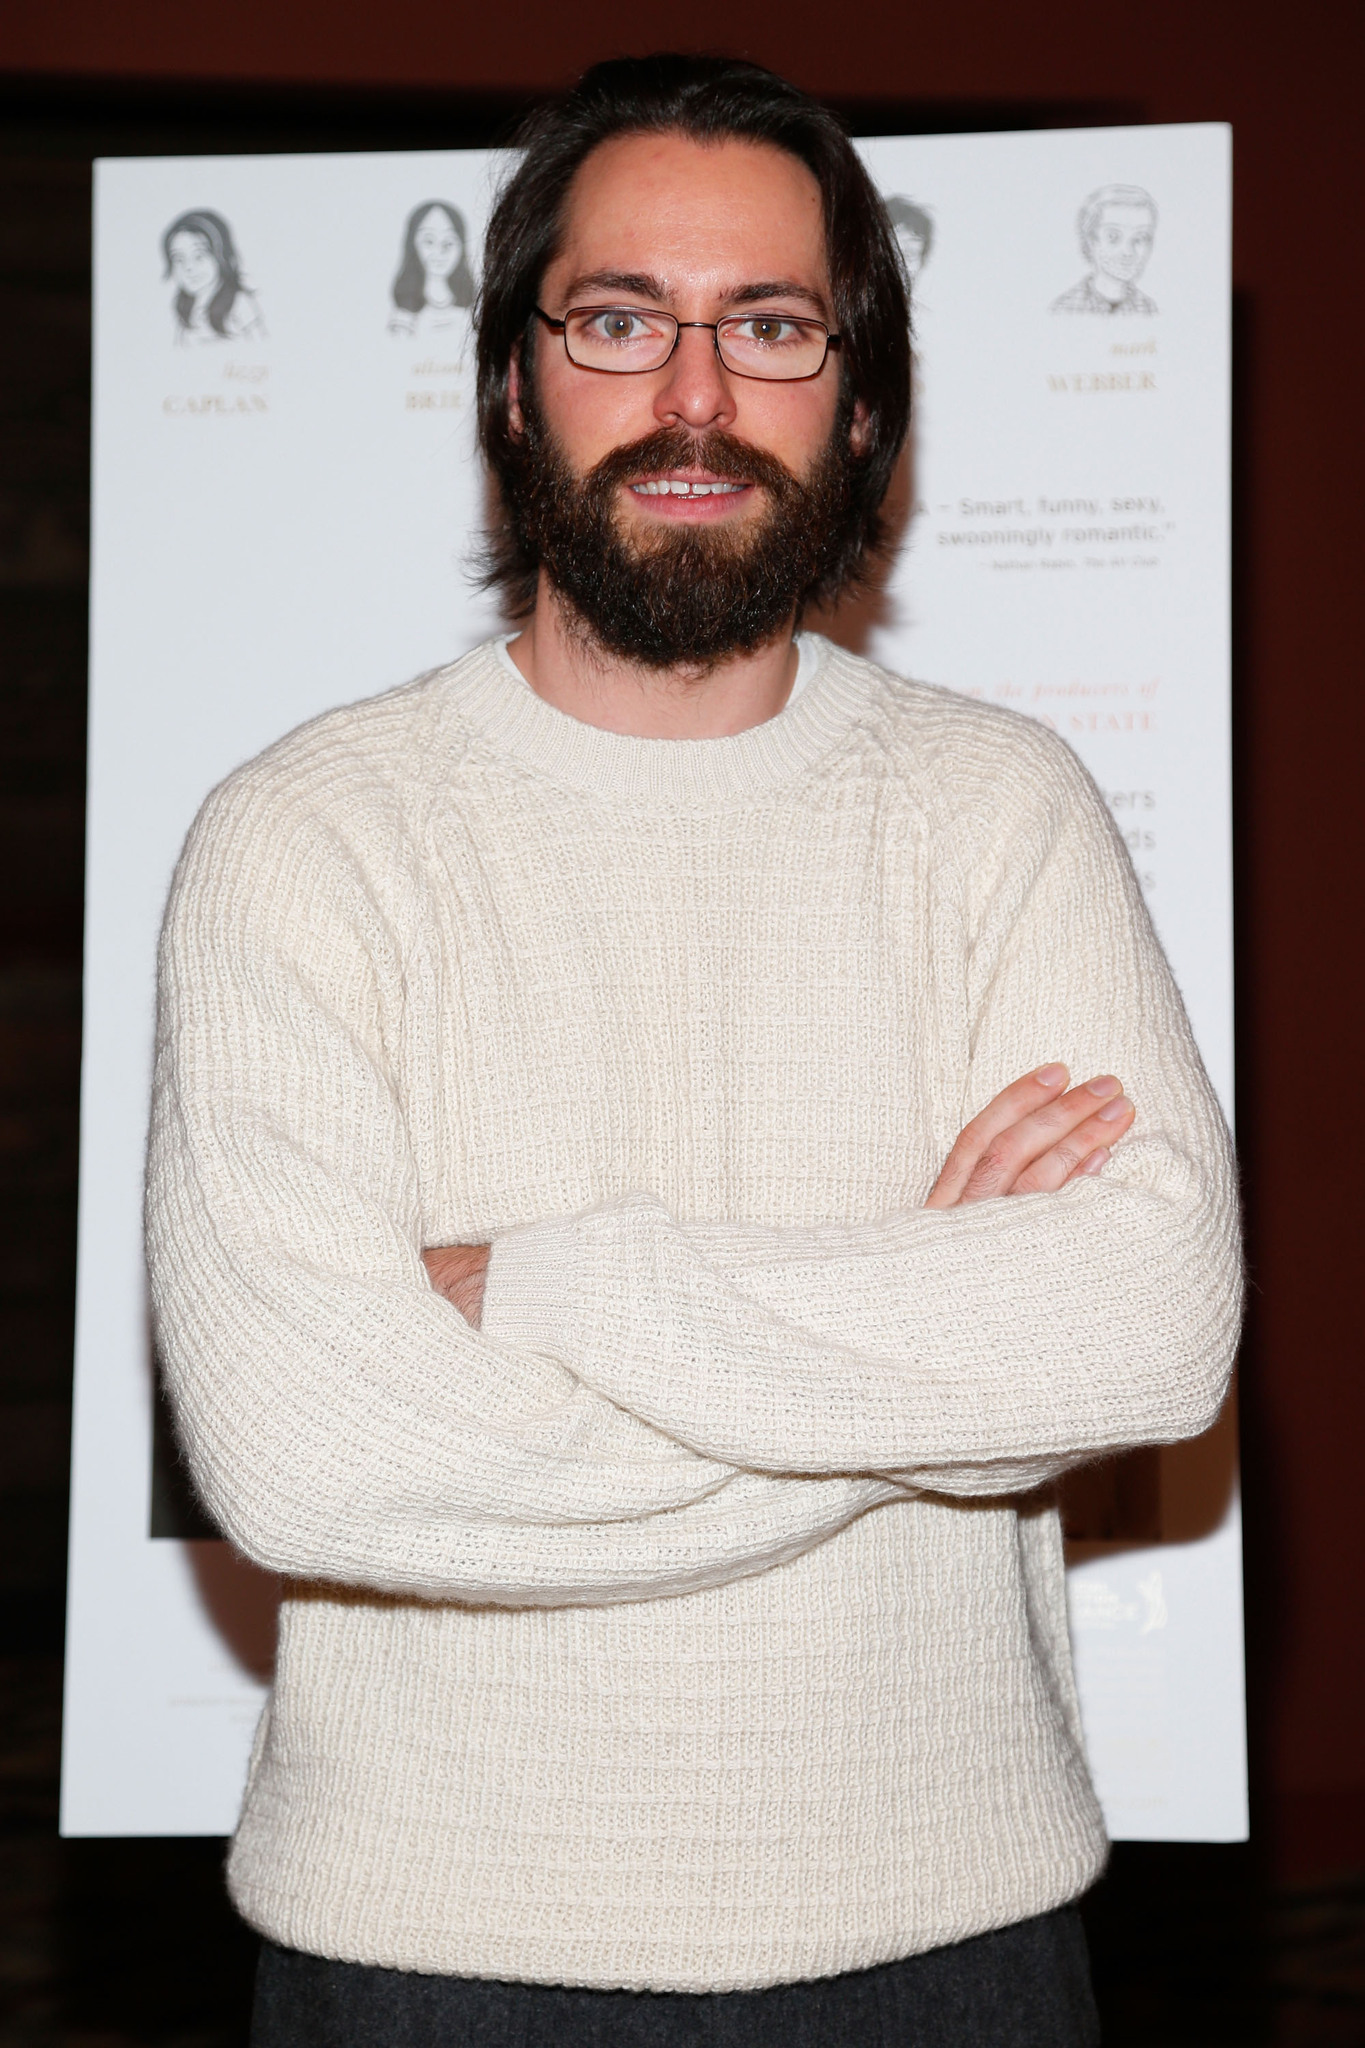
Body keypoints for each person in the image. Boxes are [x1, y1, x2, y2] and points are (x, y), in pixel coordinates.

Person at [146, 54, 1240, 2047]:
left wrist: (551, 1286)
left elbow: (1151, 1327)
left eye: (769, 325)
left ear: (861, 396)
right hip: (430, 1958)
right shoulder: (299, 833)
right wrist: (929, 1343)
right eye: (618, 319)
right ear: (510, 379)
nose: (692, 396)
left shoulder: (1004, 807)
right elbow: (306, 1456)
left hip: (956, 1944)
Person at [162, 209, 266, 345]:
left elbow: (262, 349)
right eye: (179, 259)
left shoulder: (239, 303)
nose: (188, 267)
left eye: (199, 256)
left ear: (221, 255)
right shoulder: (184, 307)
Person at [1052, 184, 1159, 315]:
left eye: (1140, 238)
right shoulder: (1064, 309)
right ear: (1091, 240)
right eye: (1113, 237)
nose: (1128, 252)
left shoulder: (1149, 310)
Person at [388, 200, 476, 336]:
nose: (439, 251)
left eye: (449, 242)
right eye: (429, 241)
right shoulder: (404, 318)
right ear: (412, 244)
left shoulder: (472, 316)